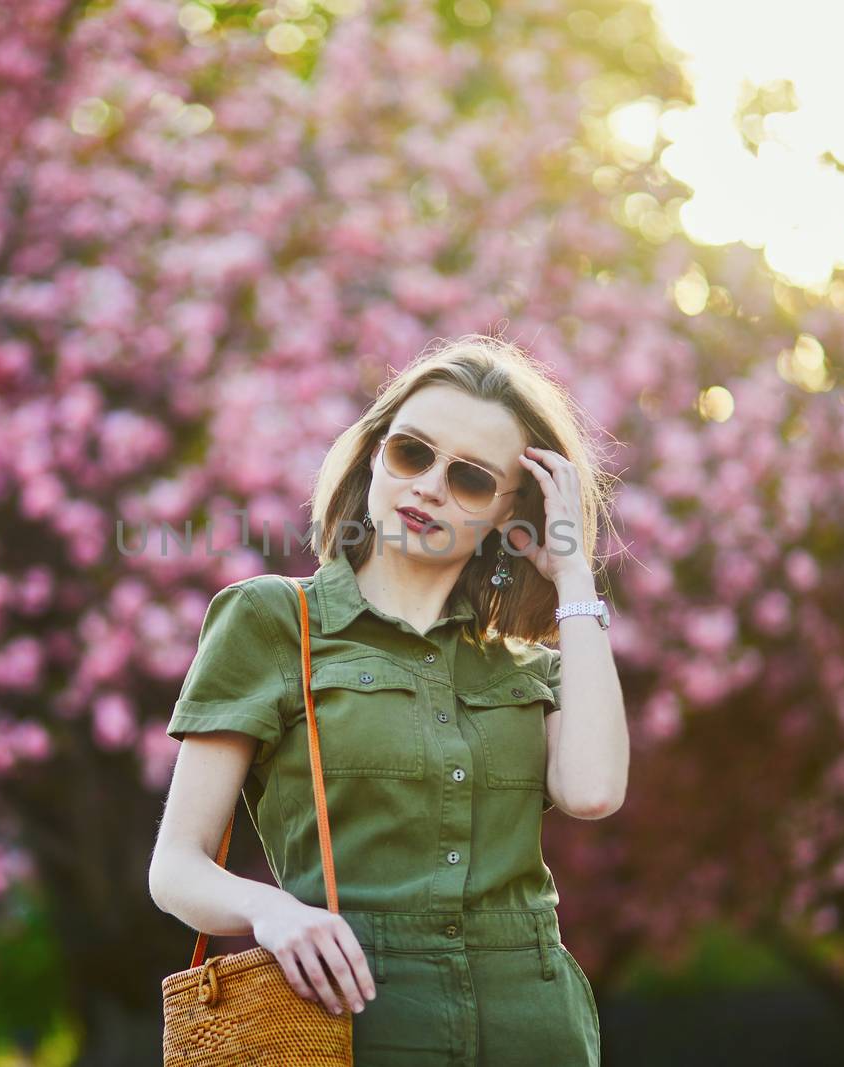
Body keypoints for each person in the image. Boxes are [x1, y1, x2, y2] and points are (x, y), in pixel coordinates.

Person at [149, 335, 629, 1064]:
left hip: (534, 1029)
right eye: (412, 452)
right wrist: (271, 910)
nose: (430, 485)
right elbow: (175, 867)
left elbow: (593, 792)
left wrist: (572, 577)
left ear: (511, 512)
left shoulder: (531, 666)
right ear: (375, 454)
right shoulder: (275, 621)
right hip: (353, 1025)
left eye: (470, 478)